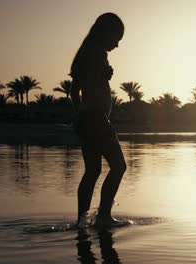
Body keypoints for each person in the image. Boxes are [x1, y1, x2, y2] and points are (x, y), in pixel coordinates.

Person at [69, 13, 126, 227]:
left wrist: (79, 115)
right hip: (96, 119)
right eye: (116, 39)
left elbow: (76, 90)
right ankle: (103, 217)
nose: (117, 45)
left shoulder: (86, 53)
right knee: (119, 166)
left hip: (86, 119)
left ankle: (82, 221)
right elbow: (88, 90)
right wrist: (95, 117)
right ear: (106, 33)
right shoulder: (97, 53)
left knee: (93, 170)